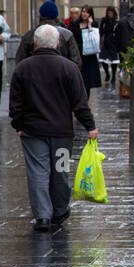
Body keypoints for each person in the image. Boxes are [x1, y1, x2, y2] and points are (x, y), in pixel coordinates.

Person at [9, 24, 97, 232]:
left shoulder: (23, 68)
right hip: (62, 132)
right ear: (57, 43)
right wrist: (89, 125)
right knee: (60, 171)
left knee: (38, 172)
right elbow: (80, 101)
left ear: (36, 43)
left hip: (32, 131)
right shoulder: (69, 67)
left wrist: (18, 125)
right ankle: (60, 210)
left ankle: (42, 216)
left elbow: (15, 103)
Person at [16, 0, 82, 68]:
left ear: (40, 15)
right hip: (61, 75)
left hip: (35, 75)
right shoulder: (67, 35)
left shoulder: (29, 35)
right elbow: (76, 62)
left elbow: (20, 62)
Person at [69, 5, 103, 104]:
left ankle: (85, 101)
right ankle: (79, 100)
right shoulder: (75, 24)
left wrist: (90, 26)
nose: (84, 14)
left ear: (90, 14)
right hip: (79, 54)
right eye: (83, 11)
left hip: (89, 55)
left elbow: (95, 39)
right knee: (79, 80)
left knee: (87, 82)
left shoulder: (94, 24)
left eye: (87, 12)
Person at [99, 7, 121, 84]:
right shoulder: (104, 21)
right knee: (103, 59)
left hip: (113, 42)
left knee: (114, 61)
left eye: (111, 13)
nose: (110, 15)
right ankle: (107, 73)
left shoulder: (116, 21)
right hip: (106, 41)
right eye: (108, 13)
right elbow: (101, 31)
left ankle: (113, 76)